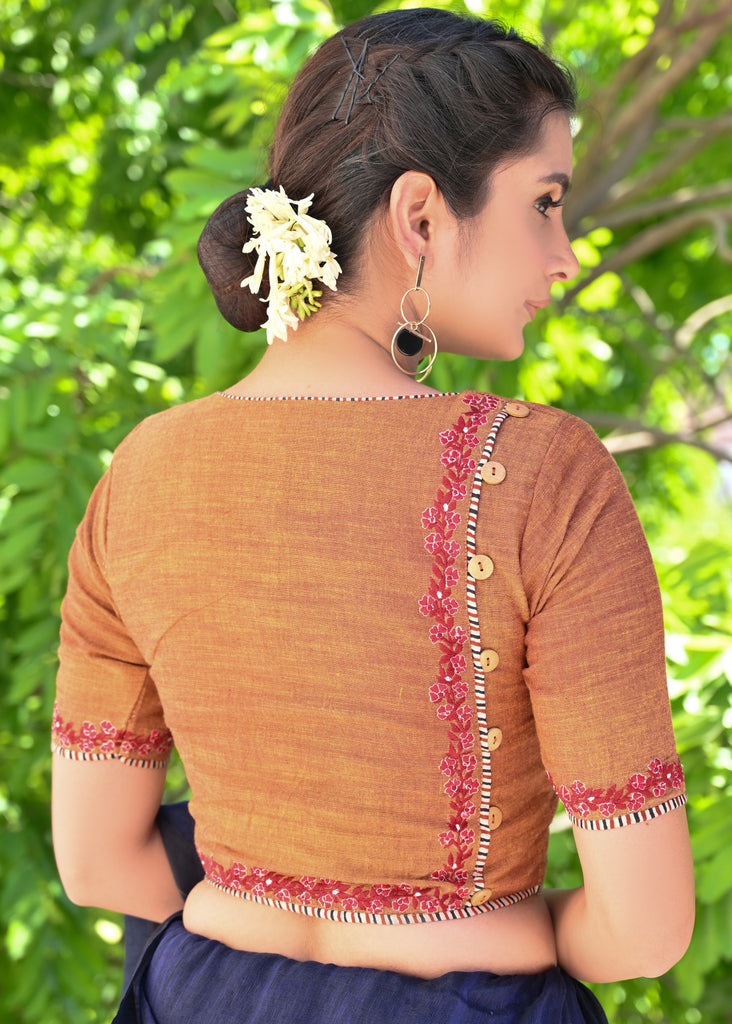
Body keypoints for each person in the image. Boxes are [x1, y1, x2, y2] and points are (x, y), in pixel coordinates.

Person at [51, 8, 695, 1023]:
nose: (564, 254)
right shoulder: (541, 474)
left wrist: (260, 919)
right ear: (421, 217)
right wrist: (505, 935)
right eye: (546, 202)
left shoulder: (140, 473)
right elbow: (646, 929)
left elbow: (96, 861)